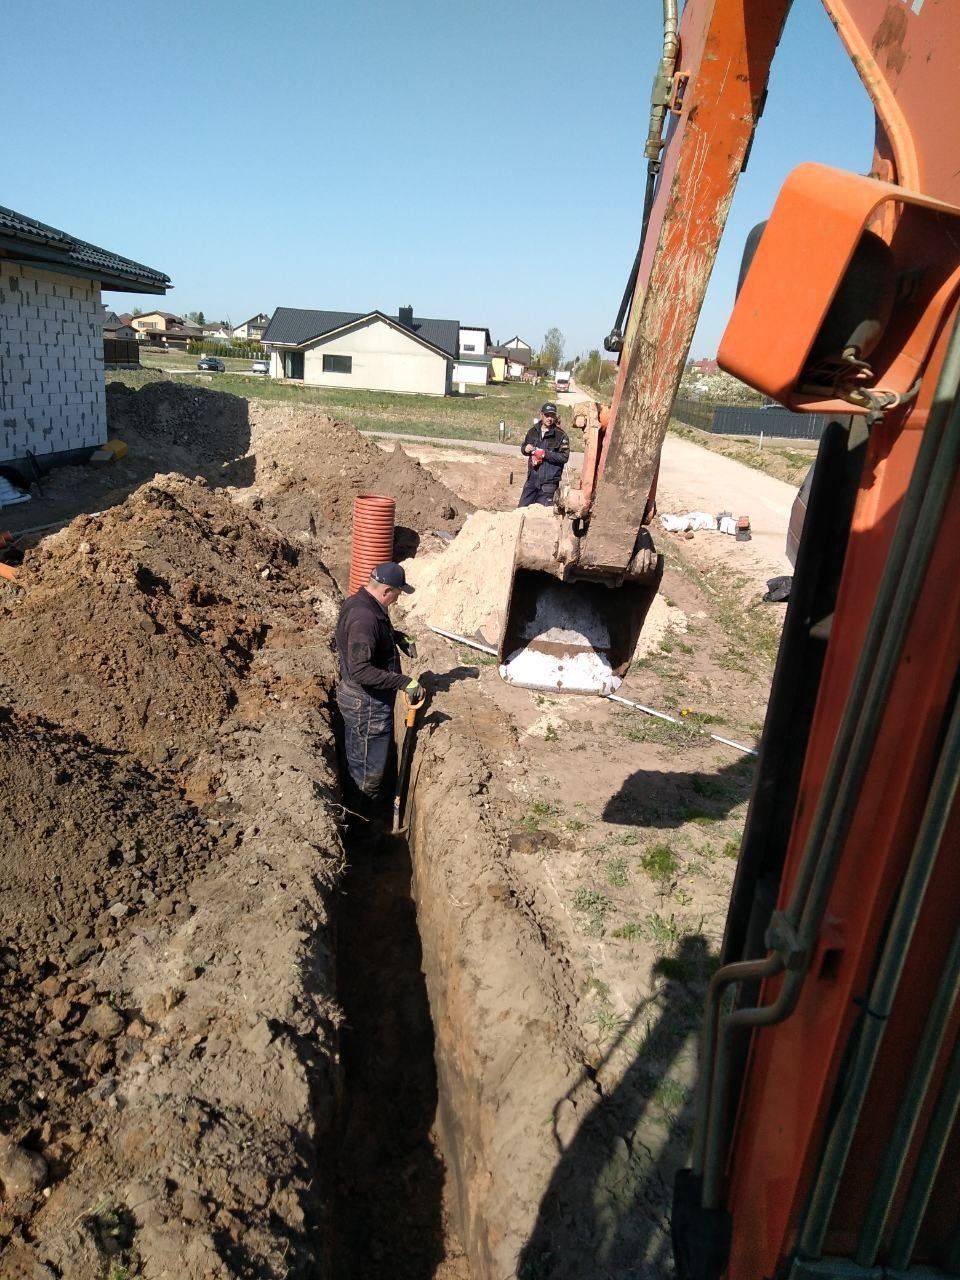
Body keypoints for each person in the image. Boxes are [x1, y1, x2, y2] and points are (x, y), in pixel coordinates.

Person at [334, 561, 423, 821]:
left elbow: (375, 637)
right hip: (367, 707)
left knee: (367, 762)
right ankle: (363, 827)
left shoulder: (362, 604)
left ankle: (367, 811)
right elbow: (361, 670)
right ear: (386, 591)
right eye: (397, 593)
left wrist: (397, 638)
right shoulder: (364, 618)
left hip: (365, 702)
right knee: (367, 772)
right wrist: (404, 682)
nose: (397, 599)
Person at [518, 402, 570, 508]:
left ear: (555, 416)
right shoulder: (533, 431)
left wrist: (544, 454)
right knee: (521, 510)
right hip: (532, 481)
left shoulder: (560, 435)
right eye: (547, 415)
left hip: (549, 484)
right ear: (541, 415)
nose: (549, 418)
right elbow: (524, 448)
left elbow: (564, 457)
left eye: (552, 415)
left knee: (542, 518)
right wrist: (525, 449)